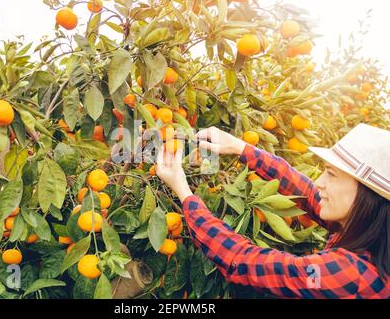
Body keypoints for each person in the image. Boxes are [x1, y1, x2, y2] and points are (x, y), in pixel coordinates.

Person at [155, 123, 390, 299]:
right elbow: (306, 192)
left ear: (367, 197)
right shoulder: (369, 228)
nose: (319, 182)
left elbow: (242, 261)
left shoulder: (351, 273)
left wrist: (184, 192)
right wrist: (240, 147)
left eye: (332, 174)